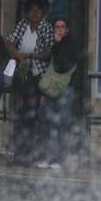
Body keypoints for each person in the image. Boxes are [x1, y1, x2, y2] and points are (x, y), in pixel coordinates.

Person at [5, 0, 54, 165]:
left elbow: (48, 52)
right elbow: (10, 42)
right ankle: (18, 152)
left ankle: (31, 152)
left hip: (37, 74)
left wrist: (31, 56)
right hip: (22, 72)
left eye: (38, 11)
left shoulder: (47, 28)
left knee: (33, 115)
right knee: (19, 113)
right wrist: (19, 56)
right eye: (32, 11)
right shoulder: (23, 25)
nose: (35, 14)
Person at [37, 17, 80, 169]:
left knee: (62, 124)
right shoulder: (55, 44)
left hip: (66, 89)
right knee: (47, 123)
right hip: (53, 89)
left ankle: (59, 159)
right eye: (57, 27)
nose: (59, 30)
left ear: (67, 29)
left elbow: (62, 65)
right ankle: (48, 156)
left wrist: (57, 44)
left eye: (62, 27)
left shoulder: (70, 45)